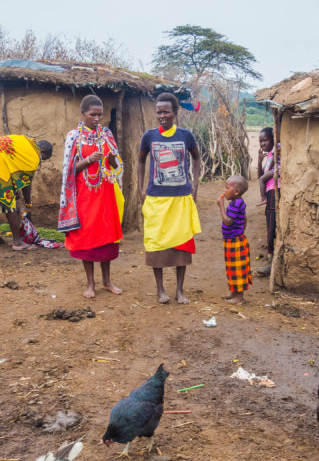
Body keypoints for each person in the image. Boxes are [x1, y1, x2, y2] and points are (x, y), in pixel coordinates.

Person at [137, 92, 202, 304]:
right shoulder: (149, 136)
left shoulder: (185, 136)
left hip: (180, 199)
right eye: (158, 112)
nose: (162, 116)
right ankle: (160, 291)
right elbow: (140, 161)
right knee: (156, 244)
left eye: (166, 112)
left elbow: (196, 157)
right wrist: (140, 188)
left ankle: (180, 291)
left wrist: (195, 185)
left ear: (175, 113)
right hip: (156, 199)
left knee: (181, 245)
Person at [59, 94, 124, 298]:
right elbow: (69, 170)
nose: (97, 119)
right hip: (85, 197)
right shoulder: (74, 137)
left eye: (100, 115)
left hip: (105, 196)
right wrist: (87, 160)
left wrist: (112, 159)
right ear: (83, 114)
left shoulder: (106, 134)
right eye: (92, 114)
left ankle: (107, 281)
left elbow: (116, 167)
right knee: (87, 240)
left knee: (106, 239)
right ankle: (90, 284)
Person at [217, 175, 251, 304]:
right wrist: (241, 231)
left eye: (226, 188)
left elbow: (228, 221)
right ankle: (234, 292)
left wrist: (221, 206)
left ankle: (239, 297)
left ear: (236, 191)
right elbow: (245, 218)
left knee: (238, 269)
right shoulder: (236, 202)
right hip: (233, 240)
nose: (224, 191)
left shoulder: (236, 203)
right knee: (232, 268)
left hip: (236, 242)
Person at [256, 126, 278, 276]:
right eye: (260, 141)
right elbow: (260, 175)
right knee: (269, 225)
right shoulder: (269, 155)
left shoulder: (278, 150)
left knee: (272, 227)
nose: (263, 144)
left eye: (265, 140)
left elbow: (265, 177)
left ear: (273, 139)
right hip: (269, 192)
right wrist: (259, 160)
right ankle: (271, 260)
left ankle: (271, 263)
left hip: (274, 191)